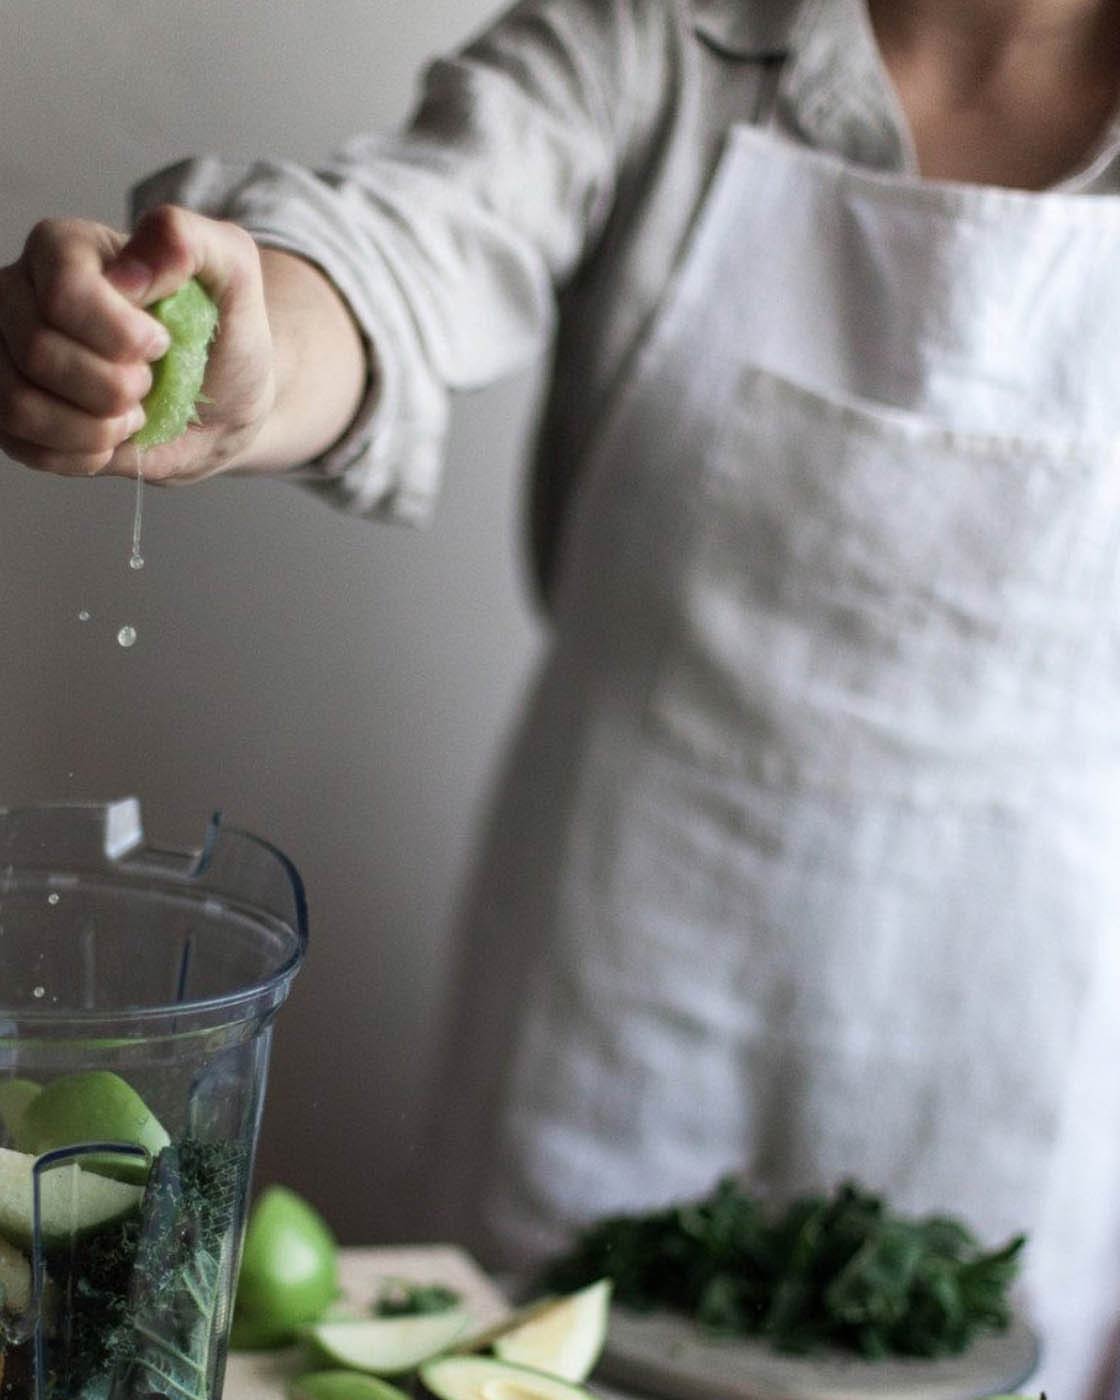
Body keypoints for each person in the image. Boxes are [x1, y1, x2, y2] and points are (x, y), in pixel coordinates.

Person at [3, 0, 1120, 1391]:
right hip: (621, 1008)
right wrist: (252, 347)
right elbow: (405, 243)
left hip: (1024, 1050)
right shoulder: (661, 35)